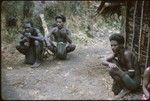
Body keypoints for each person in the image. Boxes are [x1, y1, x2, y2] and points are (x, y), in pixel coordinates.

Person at [102, 34, 141, 99]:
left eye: (115, 45)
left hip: (134, 82)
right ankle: (123, 87)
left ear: (121, 45)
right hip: (127, 77)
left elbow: (132, 73)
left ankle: (127, 89)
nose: (112, 47)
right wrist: (109, 64)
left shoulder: (126, 54)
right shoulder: (117, 53)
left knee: (112, 70)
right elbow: (103, 61)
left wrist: (119, 72)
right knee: (112, 62)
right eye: (111, 45)